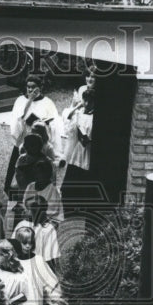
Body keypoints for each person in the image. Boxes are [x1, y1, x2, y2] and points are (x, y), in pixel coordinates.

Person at [4, 74, 60, 196]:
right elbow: (16, 119)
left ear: (40, 87)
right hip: (24, 139)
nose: (30, 90)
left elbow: (54, 123)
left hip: (38, 141)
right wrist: (29, 101)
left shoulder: (48, 102)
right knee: (17, 166)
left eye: (33, 87)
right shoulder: (20, 100)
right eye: (28, 87)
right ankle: (11, 191)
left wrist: (43, 124)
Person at [60, 87, 95, 218]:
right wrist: (77, 107)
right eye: (85, 101)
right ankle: (68, 209)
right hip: (77, 150)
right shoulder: (79, 113)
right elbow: (68, 121)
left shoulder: (94, 117)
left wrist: (87, 138)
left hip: (87, 150)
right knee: (70, 180)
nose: (86, 104)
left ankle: (80, 209)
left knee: (83, 179)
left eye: (89, 102)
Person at [15, 194, 61, 272]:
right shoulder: (22, 224)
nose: (24, 210)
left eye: (27, 208)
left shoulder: (48, 228)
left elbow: (51, 256)